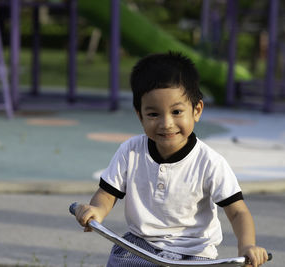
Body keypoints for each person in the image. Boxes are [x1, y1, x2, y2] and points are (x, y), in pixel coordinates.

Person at [74, 51, 269, 267]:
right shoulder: (130, 151)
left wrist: (247, 246)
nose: (166, 123)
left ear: (197, 110)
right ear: (139, 115)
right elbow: (107, 194)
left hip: (194, 253)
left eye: (176, 112)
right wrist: (97, 210)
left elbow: (238, 211)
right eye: (153, 114)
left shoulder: (209, 162)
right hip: (140, 247)